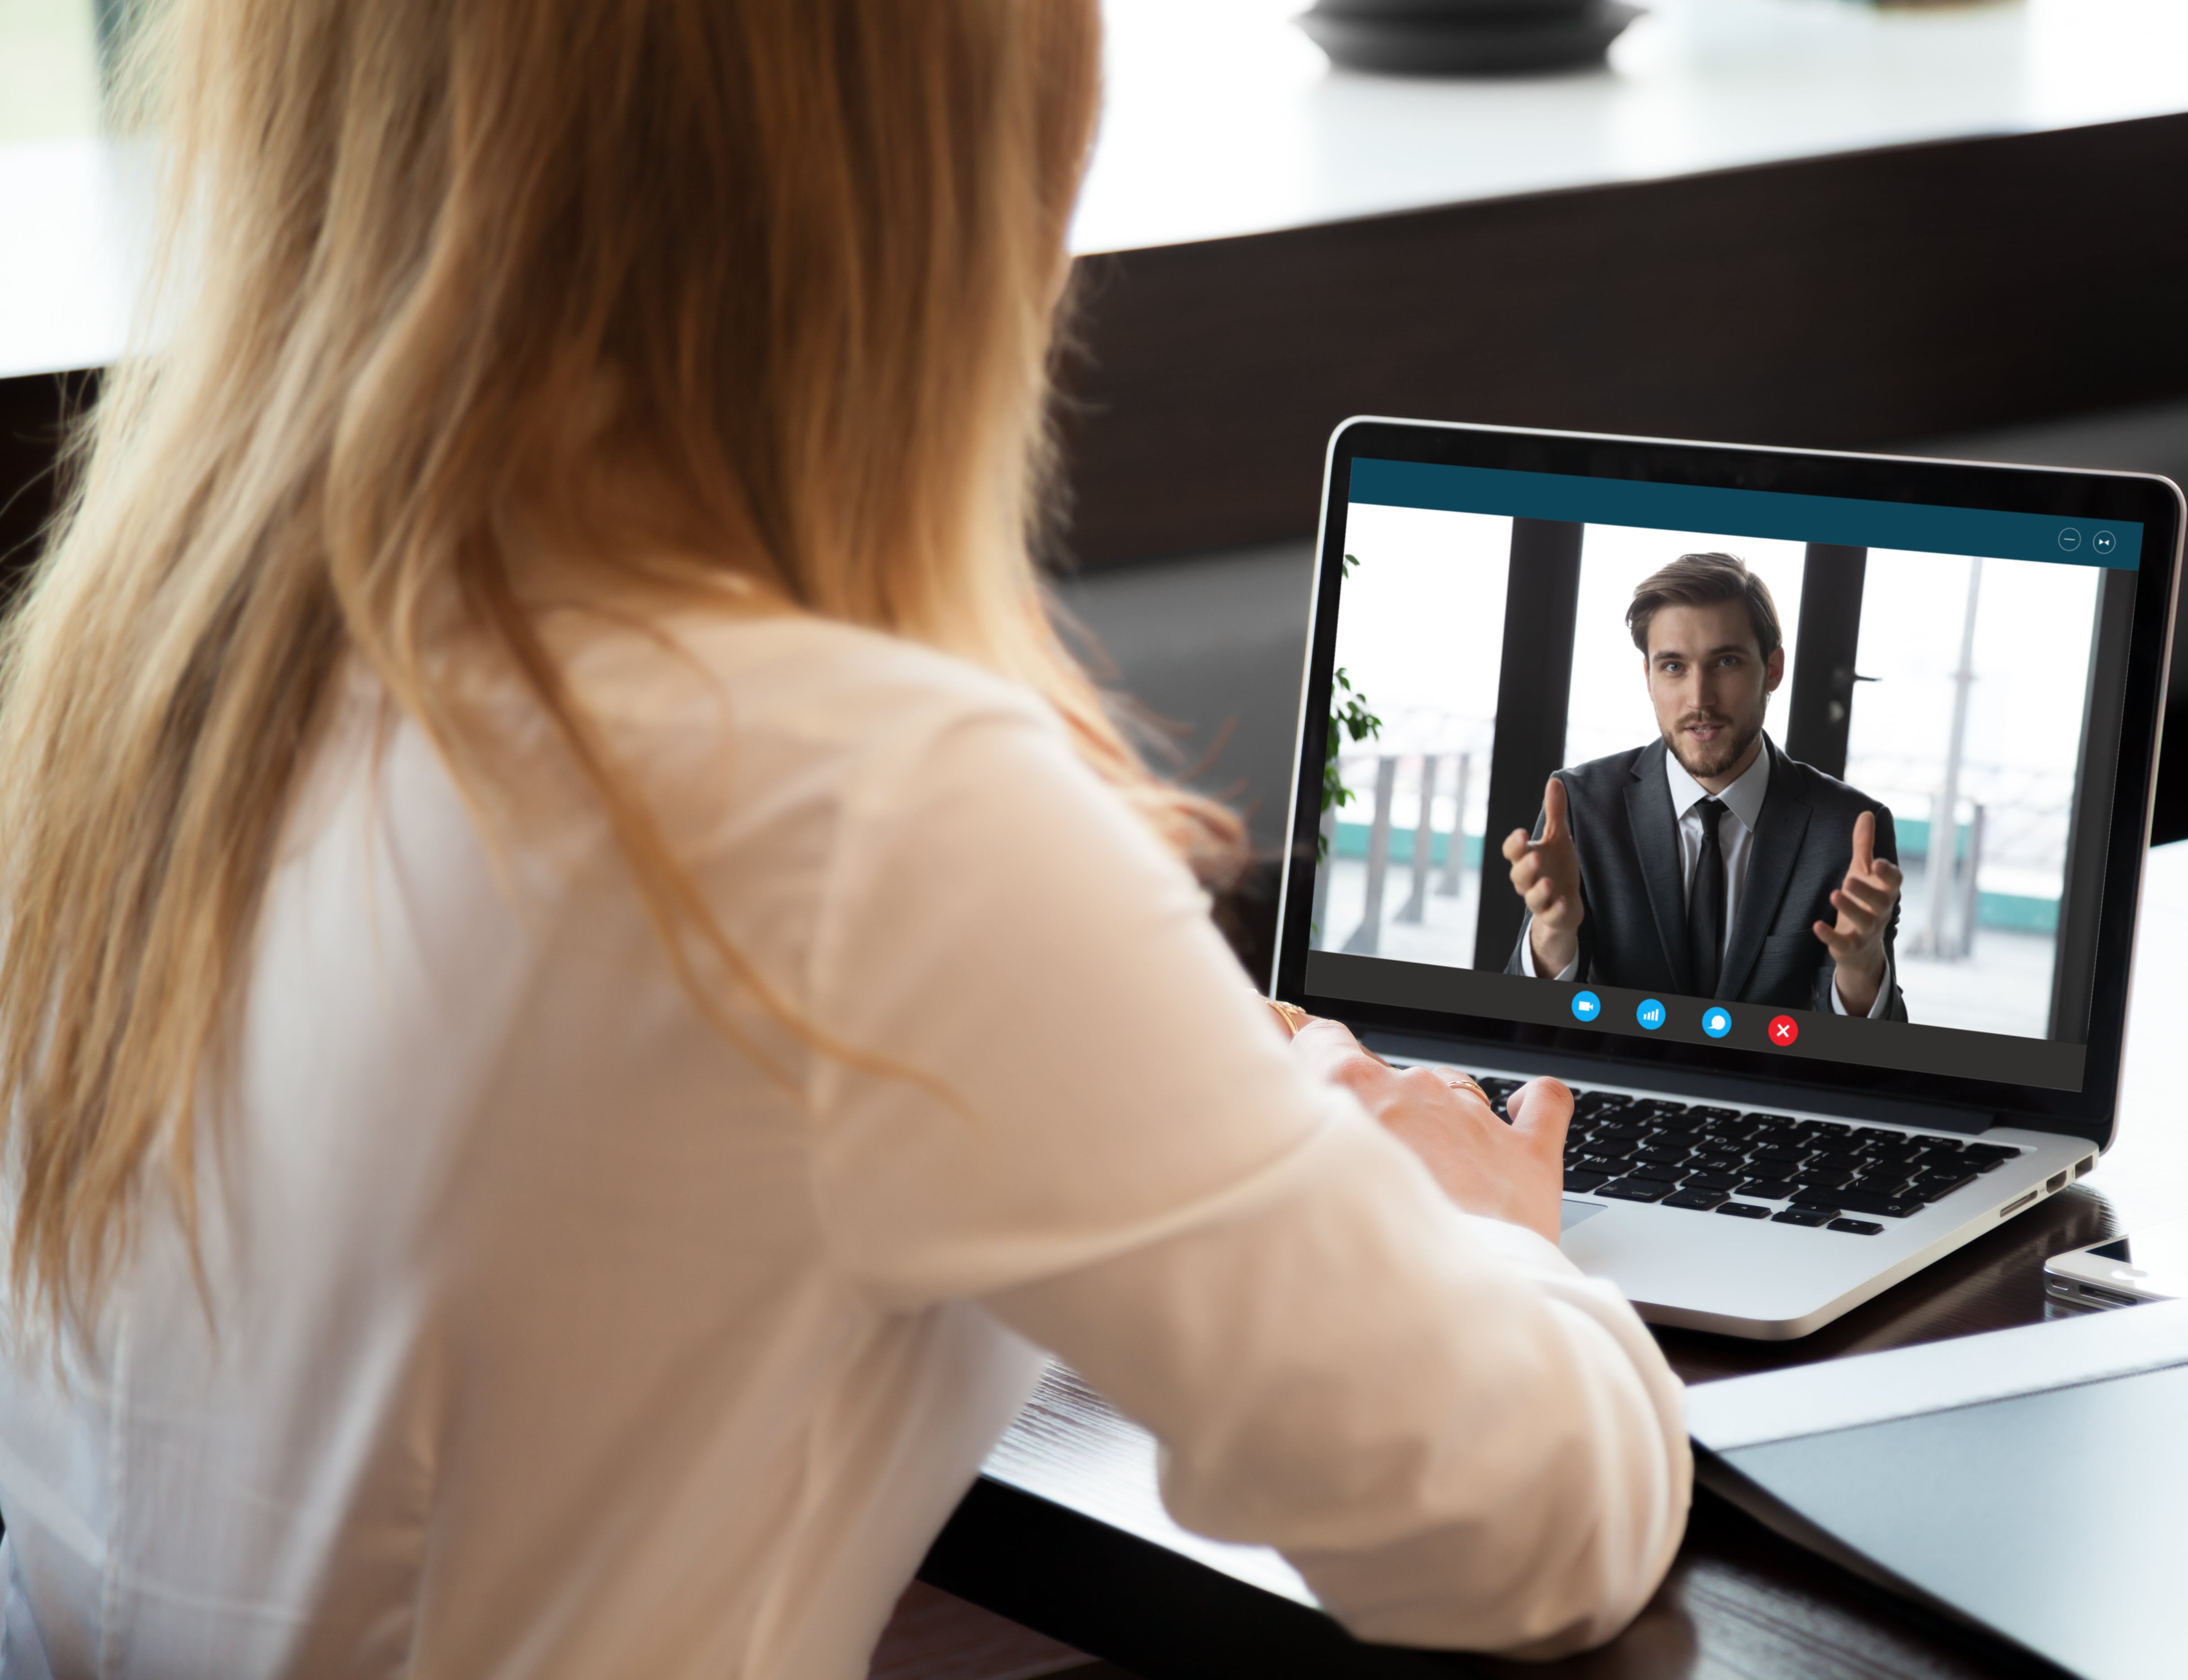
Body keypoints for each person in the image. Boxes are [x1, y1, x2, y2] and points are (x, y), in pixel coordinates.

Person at [0, 2, 1689, 1673]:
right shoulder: (855, 807)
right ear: (935, 166)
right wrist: (1466, 1236)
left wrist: (1165, 1130)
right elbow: (1517, 1526)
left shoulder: (138, 693)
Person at [1501, 553, 1907, 1019]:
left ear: (1773, 669)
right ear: (1649, 679)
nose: (1700, 699)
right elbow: (1523, 1029)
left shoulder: (1849, 831)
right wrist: (1553, 934)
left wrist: (1859, 970)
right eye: (1674, 667)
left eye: (1727, 662)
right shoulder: (1581, 807)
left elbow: (1871, 1067)